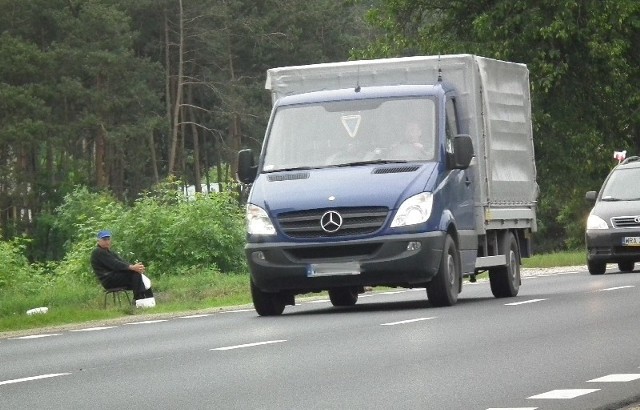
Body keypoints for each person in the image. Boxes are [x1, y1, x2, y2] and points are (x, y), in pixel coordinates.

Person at [90, 230, 156, 308]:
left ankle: (148, 302)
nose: (107, 242)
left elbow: (122, 262)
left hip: (116, 277)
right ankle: (139, 301)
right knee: (135, 274)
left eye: (108, 239)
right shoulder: (98, 252)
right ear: (98, 240)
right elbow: (115, 265)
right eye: (104, 240)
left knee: (139, 276)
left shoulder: (110, 252)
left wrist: (136, 268)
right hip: (108, 280)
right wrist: (132, 268)